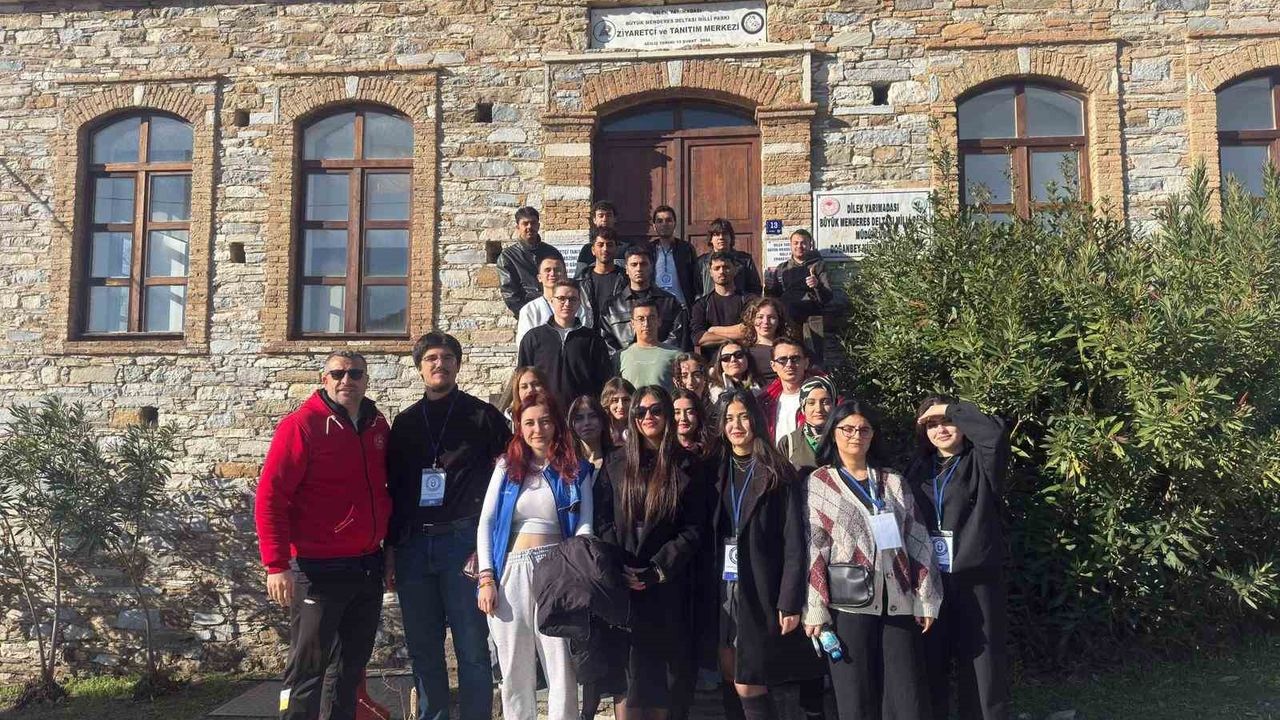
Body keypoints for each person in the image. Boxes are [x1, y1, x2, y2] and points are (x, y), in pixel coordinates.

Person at [256, 351, 392, 720]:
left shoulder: (377, 425)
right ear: (324, 379)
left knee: (349, 671)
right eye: (338, 373)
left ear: (366, 380)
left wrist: (389, 550)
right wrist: (276, 565)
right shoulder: (302, 426)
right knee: (306, 670)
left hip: (366, 565)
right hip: (317, 569)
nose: (347, 380)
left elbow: (386, 489)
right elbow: (270, 497)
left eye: (356, 374)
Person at [386, 332, 512, 720]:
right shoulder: (405, 423)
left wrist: (496, 543)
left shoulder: (483, 417)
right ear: (419, 367)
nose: (439, 364)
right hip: (413, 547)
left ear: (458, 365)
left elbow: (511, 476)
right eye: (431, 359)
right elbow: (394, 490)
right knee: (423, 649)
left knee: (471, 647)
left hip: (463, 544)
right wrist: (390, 551)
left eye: (446, 358)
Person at [803, 400, 942, 720]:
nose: (856, 435)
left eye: (864, 429)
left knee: (906, 698)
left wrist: (927, 598)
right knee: (855, 699)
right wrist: (815, 606)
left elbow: (918, 540)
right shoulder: (820, 483)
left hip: (898, 601)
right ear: (833, 433)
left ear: (873, 435)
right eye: (847, 429)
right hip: (848, 604)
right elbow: (815, 547)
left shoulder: (893, 481)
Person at [476, 393, 595, 720]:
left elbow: (585, 524)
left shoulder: (576, 469)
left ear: (556, 424)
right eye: (529, 423)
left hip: (557, 571)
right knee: (514, 668)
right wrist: (486, 577)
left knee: (561, 667)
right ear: (519, 427)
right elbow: (487, 521)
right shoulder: (506, 466)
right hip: (511, 571)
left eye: (544, 421)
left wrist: (577, 573)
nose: (537, 429)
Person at [710, 390, 826, 720]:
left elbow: (794, 541)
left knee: (750, 678)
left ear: (756, 421)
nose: (736, 425)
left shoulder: (777, 472)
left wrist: (789, 601)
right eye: (729, 419)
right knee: (729, 669)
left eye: (743, 417)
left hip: (760, 585)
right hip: (721, 585)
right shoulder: (714, 470)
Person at [596, 385, 707, 720]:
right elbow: (602, 519)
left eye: (656, 410)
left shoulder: (688, 465)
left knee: (666, 684)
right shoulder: (615, 462)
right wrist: (619, 565)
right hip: (625, 584)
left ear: (667, 415)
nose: (648, 417)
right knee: (630, 684)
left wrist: (659, 569)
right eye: (641, 411)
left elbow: (694, 527)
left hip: (668, 587)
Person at [907, 397, 1011, 720]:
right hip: (930, 582)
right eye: (932, 424)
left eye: (947, 422)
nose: (941, 429)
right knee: (931, 662)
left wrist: (949, 409)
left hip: (975, 580)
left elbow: (994, 434)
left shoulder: (981, 461)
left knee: (982, 665)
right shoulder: (918, 469)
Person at [518, 281, 612, 409]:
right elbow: (522, 377)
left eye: (572, 299)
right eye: (561, 298)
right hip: (544, 411)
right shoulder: (533, 338)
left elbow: (603, 381)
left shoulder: (592, 340)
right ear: (552, 301)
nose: (567, 304)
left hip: (581, 413)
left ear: (579, 303)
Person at [601, 245, 688, 351]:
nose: (638, 269)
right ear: (627, 269)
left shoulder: (670, 302)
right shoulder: (612, 306)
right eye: (634, 265)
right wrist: (624, 357)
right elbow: (607, 342)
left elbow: (677, 337)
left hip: (662, 359)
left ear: (651, 267)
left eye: (643, 264)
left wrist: (658, 355)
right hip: (625, 360)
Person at [765, 229, 833, 365]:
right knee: (790, 353)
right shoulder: (782, 268)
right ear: (790, 245)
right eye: (795, 243)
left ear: (810, 245)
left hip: (812, 318)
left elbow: (828, 296)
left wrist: (817, 285)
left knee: (814, 358)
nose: (799, 246)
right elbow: (773, 297)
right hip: (789, 318)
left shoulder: (818, 266)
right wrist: (768, 286)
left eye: (803, 243)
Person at [498, 206, 565, 317]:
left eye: (533, 223)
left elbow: (563, 282)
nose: (529, 227)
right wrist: (527, 314)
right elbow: (509, 293)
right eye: (525, 223)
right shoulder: (508, 256)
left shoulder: (552, 252)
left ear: (538, 226)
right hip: (528, 312)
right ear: (518, 227)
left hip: (555, 312)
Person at [692, 251, 754, 356]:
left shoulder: (749, 300)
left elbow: (747, 331)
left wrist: (713, 330)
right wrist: (731, 340)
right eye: (717, 268)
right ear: (710, 272)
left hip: (743, 359)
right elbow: (698, 338)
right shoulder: (702, 304)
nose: (721, 271)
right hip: (713, 362)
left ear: (735, 270)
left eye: (726, 267)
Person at [515, 256, 584, 348]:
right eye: (547, 270)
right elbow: (525, 346)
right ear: (539, 277)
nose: (552, 274)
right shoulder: (530, 310)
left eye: (557, 270)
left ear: (565, 274)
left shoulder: (578, 307)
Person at [758, 338, 816, 442]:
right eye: (782, 360)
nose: (789, 364)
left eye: (795, 359)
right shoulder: (764, 402)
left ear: (806, 363)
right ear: (773, 366)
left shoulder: (825, 398)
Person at [777, 376, 836, 478]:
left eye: (825, 402)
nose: (818, 409)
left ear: (834, 404)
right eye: (811, 403)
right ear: (803, 407)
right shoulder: (788, 443)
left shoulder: (845, 439)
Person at [619, 302, 682, 390]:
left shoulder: (676, 355)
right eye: (641, 319)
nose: (646, 324)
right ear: (632, 323)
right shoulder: (620, 356)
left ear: (659, 321)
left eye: (651, 318)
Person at [647, 205, 699, 308]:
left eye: (668, 220)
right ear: (654, 226)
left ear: (675, 223)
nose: (664, 224)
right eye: (660, 221)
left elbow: (695, 279)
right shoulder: (648, 250)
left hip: (681, 306)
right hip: (655, 307)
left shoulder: (686, 249)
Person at [696, 219, 762, 296]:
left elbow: (755, 289)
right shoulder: (702, 262)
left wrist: (746, 301)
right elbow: (696, 290)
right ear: (711, 239)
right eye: (717, 234)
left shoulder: (745, 260)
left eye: (725, 234)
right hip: (710, 303)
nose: (721, 237)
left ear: (731, 237)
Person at [578, 227, 625, 335]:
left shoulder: (626, 279)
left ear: (616, 249)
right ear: (593, 250)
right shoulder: (580, 281)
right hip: (588, 337)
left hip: (618, 337)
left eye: (609, 245)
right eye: (600, 245)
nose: (605, 249)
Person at [741, 297, 790, 386]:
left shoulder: (791, 348)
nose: (766, 322)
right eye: (760, 317)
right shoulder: (744, 352)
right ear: (752, 320)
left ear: (779, 321)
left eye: (771, 317)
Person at [707, 341, 762, 406]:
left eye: (738, 355)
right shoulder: (714, 390)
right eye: (726, 358)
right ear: (720, 364)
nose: (733, 360)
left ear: (747, 358)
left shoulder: (761, 383)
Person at [568, 394, 615, 469]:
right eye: (579, 418)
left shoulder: (619, 459)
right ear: (572, 426)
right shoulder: (567, 465)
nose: (586, 423)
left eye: (593, 416)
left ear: (602, 421)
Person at [576, 200, 619, 275]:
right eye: (601, 216)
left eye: (608, 215)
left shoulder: (626, 247)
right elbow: (580, 276)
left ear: (614, 219)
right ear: (594, 220)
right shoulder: (587, 249)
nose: (605, 219)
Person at [672, 388, 712, 458]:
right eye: (677, 412)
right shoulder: (662, 451)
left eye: (689, 412)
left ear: (698, 415)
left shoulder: (713, 451)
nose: (683, 418)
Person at [600, 377, 636, 447]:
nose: (621, 405)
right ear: (606, 402)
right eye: (615, 400)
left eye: (626, 400)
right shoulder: (600, 426)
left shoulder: (640, 425)